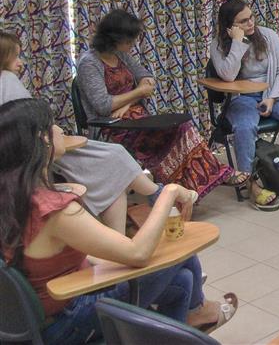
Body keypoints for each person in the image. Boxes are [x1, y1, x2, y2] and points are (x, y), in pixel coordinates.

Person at [0, 100, 237, 345]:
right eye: (54, 126)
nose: (61, 131)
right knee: (178, 251)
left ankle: (194, 314)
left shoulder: (13, 196)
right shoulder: (55, 211)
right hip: (68, 321)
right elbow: (139, 253)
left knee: (183, 281)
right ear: (43, 140)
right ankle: (198, 312)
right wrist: (169, 192)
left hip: (47, 312)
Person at [0, 31, 179, 234]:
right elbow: (33, 124)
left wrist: (135, 94)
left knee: (114, 169)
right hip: (34, 151)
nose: (21, 62)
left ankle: (124, 234)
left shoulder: (122, 58)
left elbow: (143, 75)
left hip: (34, 149)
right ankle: (154, 196)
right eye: (15, 57)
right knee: (114, 158)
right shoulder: (7, 80)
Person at [76, 9, 231, 200]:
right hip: (110, 126)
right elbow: (103, 105)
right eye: (129, 41)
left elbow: (147, 79)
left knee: (182, 127)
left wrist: (128, 101)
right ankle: (173, 193)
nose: (132, 45)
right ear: (112, 39)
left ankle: (188, 189)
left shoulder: (121, 56)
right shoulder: (89, 63)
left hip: (137, 119)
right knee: (168, 137)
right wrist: (138, 93)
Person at [210, 0, 279, 209]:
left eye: (251, 18)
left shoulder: (268, 35)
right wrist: (237, 44)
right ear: (230, 26)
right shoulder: (218, 45)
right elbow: (227, 76)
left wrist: (271, 98)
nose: (251, 23)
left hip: (273, 93)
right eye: (243, 21)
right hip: (242, 97)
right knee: (245, 127)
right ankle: (251, 184)